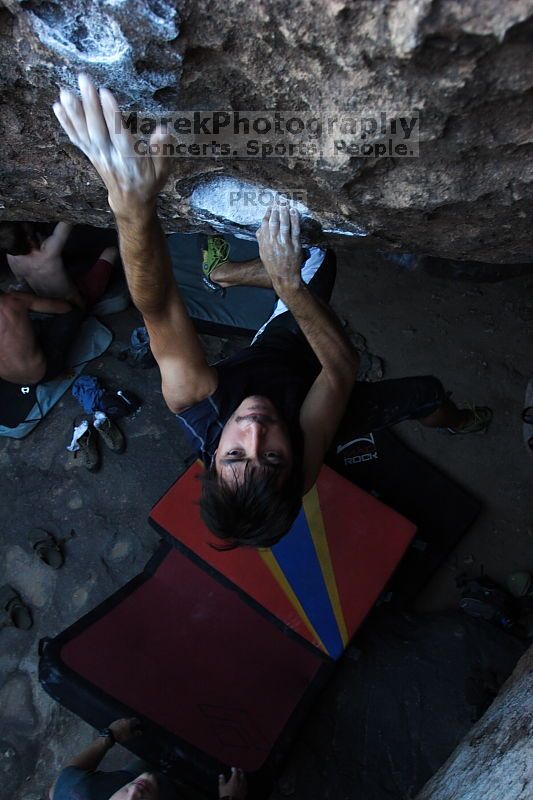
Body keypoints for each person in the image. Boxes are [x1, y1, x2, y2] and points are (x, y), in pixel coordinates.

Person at [53, 74, 492, 548]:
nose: (256, 432)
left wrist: (133, 207)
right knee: (424, 391)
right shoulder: (301, 466)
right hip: (319, 394)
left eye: (237, 455)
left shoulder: (194, 399)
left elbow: (157, 306)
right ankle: (456, 422)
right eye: (272, 458)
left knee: (314, 259)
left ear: (212, 453)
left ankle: (225, 275)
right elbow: (341, 369)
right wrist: (288, 284)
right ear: (294, 465)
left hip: (277, 344)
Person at [48, 716, 247, 800]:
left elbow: (57, 788)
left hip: (141, 770)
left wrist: (109, 736)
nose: (133, 791)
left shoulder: (79, 791)